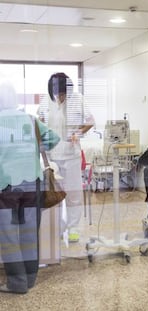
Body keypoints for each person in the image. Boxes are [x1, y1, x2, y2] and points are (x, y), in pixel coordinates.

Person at [0, 81, 60, 294]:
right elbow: (54, 139)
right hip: (32, 184)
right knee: (29, 233)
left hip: (5, 186)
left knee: (8, 235)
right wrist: (34, 148)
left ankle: (17, 284)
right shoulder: (30, 120)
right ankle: (30, 278)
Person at [40, 72, 95, 243]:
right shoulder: (46, 100)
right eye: (56, 93)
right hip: (52, 156)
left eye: (62, 93)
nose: (59, 96)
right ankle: (57, 226)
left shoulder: (78, 99)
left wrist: (77, 133)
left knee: (73, 193)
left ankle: (73, 228)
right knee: (54, 194)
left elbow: (90, 121)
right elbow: (40, 121)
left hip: (71, 155)